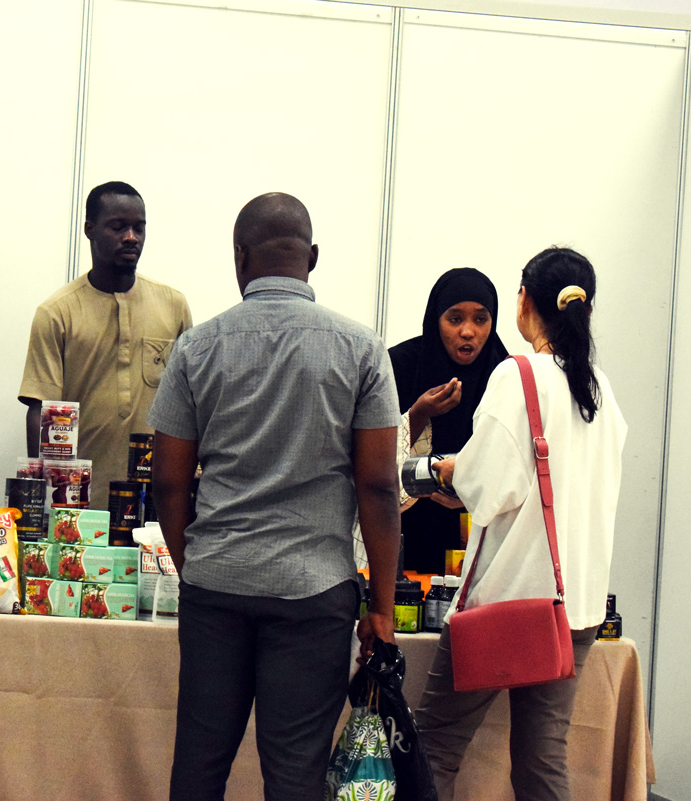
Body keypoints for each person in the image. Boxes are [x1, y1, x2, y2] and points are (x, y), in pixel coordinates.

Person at [147, 193, 402, 801]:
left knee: (200, 765)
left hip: (217, 586)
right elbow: (378, 485)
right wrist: (383, 608)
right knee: (294, 775)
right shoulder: (362, 349)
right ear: (312, 257)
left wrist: (195, 568)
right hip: (314, 591)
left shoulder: (196, 347)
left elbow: (169, 481)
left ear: (239, 257)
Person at [414, 247, 627, 801]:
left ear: (524, 301)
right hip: (573, 605)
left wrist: (445, 469)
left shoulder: (520, 375)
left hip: (508, 598)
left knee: (434, 743)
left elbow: (484, 492)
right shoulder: (601, 390)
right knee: (541, 762)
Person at [18, 181, 192, 507]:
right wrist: (41, 501)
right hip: (79, 502)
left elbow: (190, 404)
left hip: (156, 504)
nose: (131, 237)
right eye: (118, 227)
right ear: (90, 229)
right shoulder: (57, 313)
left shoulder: (173, 305)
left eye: (138, 228)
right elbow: (40, 409)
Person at [388, 268, 510, 573]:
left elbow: (518, 464)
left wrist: (471, 493)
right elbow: (371, 456)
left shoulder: (506, 375)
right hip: (404, 531)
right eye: (455, 319)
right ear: (435, 319)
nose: (468, 332)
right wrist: (419, 413)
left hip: (478, 535)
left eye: (481, 319)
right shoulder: (398, 366)